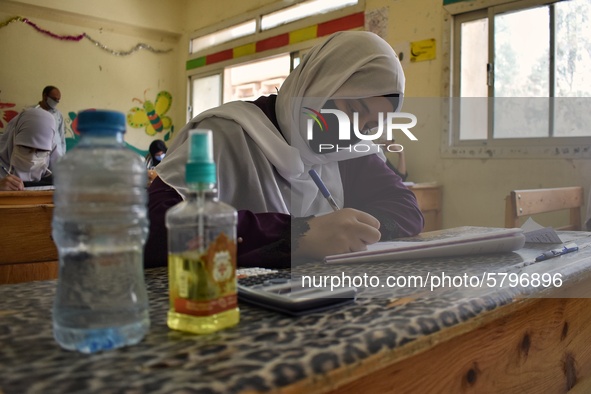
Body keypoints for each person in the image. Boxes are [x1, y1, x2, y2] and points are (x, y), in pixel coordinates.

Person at [145, 31, 424, 268]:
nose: (353, 131)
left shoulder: (347, 153)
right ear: (320, 81)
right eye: (352, 109)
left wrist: (355, 231)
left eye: (369, 126)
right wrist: (296, 235)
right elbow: (158, 224)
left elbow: (406, 210)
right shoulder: (226, 133)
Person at [0, 108, 56, 191]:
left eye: (41, 151)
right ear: (13, 138)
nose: (32, 158)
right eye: (25, 147)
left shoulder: (55, 171)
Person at [35, 85, 66, 160]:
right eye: (54, 99)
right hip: (38, 156)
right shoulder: (32, 113)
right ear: (45, 96)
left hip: (57, 155)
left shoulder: (58, 115)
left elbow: (62, 137)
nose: (56, 102)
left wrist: (63, 155)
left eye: (58, 100)